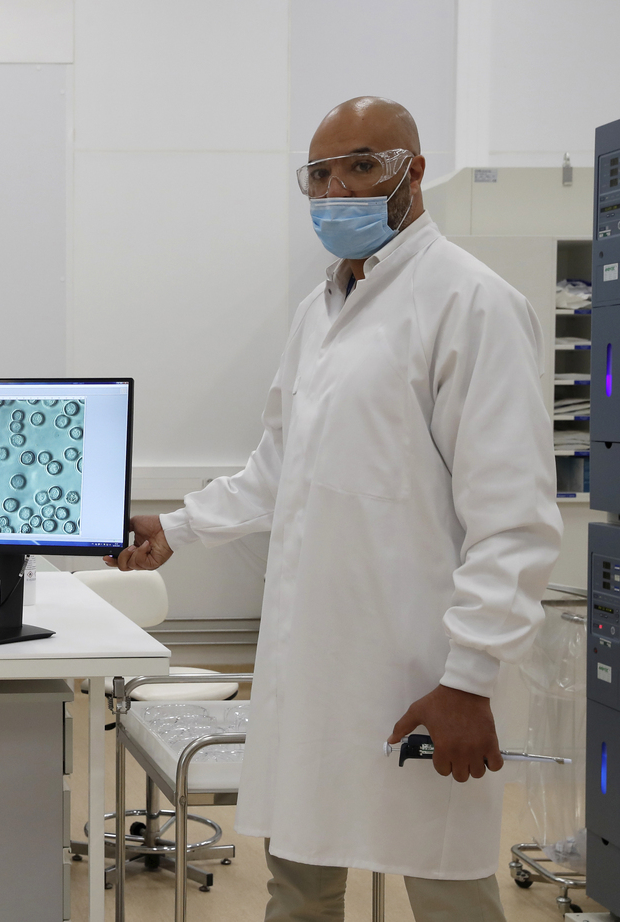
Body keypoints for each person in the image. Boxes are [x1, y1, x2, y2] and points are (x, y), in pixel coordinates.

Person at [107, 97, 562, 921]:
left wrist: (469, 678)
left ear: (413, 172)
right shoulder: (322, 309)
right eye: (318, 173)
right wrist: (175, 527)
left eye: (360, 165)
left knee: (446, 885)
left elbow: (513, 515)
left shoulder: (472, 303)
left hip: (418, 668)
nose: (335, 188)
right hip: (311, 670)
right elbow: (282, 467)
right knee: (298, 880)